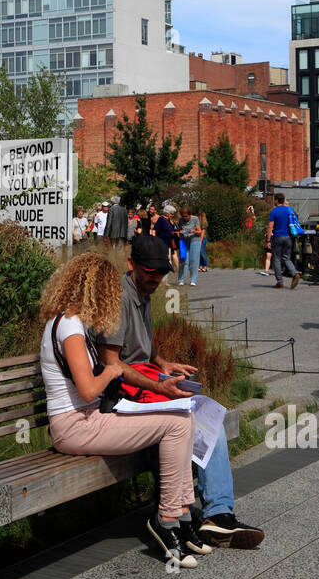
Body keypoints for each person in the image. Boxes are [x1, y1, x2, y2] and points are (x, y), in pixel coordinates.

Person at [95, 235, 265, 550]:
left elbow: (143, 345)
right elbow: (111, 363)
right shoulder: (117, 296)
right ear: (131, 264)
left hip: (140, 385)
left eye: (161, 273)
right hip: (118, 398)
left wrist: (163, 363)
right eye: (150, 272)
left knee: (208, 411)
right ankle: (203, 513)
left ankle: (218, 513)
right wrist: (160, 385)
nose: (156, 279)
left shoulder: (141, 290)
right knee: (192, 414)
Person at [39, 252, 203, 568]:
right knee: (176, 424)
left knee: (184, 414)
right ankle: (167, 518)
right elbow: (88, 389)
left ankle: (181, 513)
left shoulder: (73, 323)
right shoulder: (69, 327)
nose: (111, 297)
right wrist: (112, 372)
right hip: (74, 427)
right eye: (107, 290)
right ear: (94, 289)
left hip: (90, 419)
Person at [266, 193, 299, 288]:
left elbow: (270, 226)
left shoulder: (274, 211)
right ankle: (294, 273)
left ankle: (280, 282)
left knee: (276, 259)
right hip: (288, 237)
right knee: (286, 258)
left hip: (277, 237)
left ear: (276, 200)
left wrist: (268, 241)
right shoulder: (289, 210)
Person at [176, 204, 203, 287]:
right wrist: (179, 233)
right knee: (183, 259)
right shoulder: (181, 220)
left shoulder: (195, 219)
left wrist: (193, 231)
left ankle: (193, 279)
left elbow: (199, 231)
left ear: (189, 214)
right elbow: (179, 230)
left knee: (194, 260)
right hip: (184, 241)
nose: (185, 218)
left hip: (194, 240)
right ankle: (181, 279)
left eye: (186, 216)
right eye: (183, 216)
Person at [198, 208, 209, 273]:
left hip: (202, 238)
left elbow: (203, 232)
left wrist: (200, 240)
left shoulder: (204, 222)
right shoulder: (197, 221)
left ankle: (205, 266)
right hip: (198, 238)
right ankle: (200, 266)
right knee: (199, 253)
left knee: (202, 252)